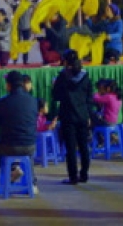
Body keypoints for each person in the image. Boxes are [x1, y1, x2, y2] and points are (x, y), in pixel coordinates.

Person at [0, 70, 40, 194]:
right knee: (27, 152)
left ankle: (12, 169)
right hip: (30, 145)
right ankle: (33, 183)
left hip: (8, 146)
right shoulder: (33, 100)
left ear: (9, 85)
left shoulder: (3, 102)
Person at [47, 49, 93, 185]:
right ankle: (84, 174)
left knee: (71, 148)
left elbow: (56, 96)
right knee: (84, 146)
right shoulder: (85, 76)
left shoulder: (62, 76)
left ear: (66, 61)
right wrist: (89, 114)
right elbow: (89, 98)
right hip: (83, 115)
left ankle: (73, 177)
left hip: (68, 116)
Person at [14, 0, 34, 65]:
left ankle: (25, 61)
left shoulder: (27, 3)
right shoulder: (15, 4)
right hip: (17, 27)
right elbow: (10, 3)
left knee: (25, 44)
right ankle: (15, 60)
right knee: (16, 43)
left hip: (27, 27)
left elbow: (34, 5)